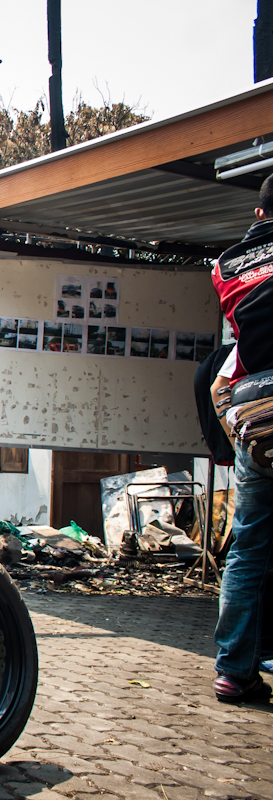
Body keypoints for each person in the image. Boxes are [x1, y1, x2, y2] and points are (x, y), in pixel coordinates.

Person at [209, 174, 273, 703]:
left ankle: (233, 669)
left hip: (256, 412)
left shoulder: (227, 266)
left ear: (258, 214)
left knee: (248, 546)